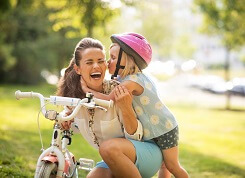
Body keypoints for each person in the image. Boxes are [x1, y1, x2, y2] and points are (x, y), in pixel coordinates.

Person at [81, 33, 189, 178]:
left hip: (164, 129)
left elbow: (108, 99)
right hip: (152, 130)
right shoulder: (125, 78)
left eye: (113, 58)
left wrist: (86, 90)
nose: (108, 62)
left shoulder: (131, 81)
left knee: (172, 166)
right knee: (165, 165)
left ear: (126, 61)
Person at [56, 37, 163, 178]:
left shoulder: (117, 91)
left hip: (144, 154)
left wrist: (126, 108)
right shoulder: (76, 98)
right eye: (89, 62)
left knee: (107, 148)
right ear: (78, 69)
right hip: (112, 159)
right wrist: (66, 118)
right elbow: (80, 126)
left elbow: (136, 136)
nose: (96, 66)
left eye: (101, 61)